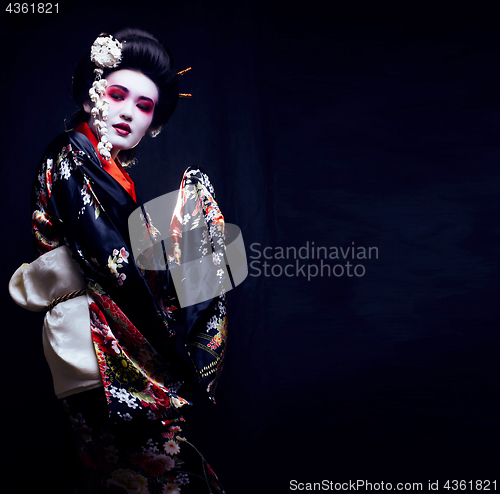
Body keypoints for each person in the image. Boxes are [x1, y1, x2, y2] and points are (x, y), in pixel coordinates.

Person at [9, 27, 228, 494]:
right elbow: (114, 263)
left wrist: (190, 230)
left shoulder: (113, 175)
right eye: (117, 94)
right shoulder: (70, 155)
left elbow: (131, 261)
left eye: (144, 106)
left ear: (155, 122)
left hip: (111, 349)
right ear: (92, 99)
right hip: (97, 353)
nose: (129, 112)